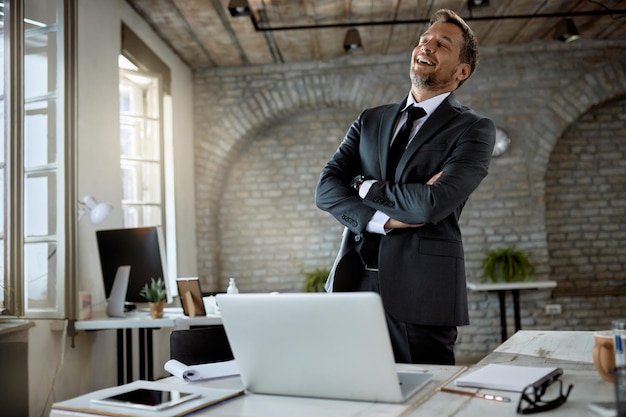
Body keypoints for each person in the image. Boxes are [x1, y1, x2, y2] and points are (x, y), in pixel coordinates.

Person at [315, 9, 495, 365]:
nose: (427, 46)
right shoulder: (370, 119)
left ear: (462, 72)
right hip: (353, 285)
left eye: (442, 44)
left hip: (422, 293)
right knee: (357, 394)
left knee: (426, 400)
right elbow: (325, 189)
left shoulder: (473, 129)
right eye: (424, 40)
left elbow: (431, 203)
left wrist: (364, 187)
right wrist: (384, 220)